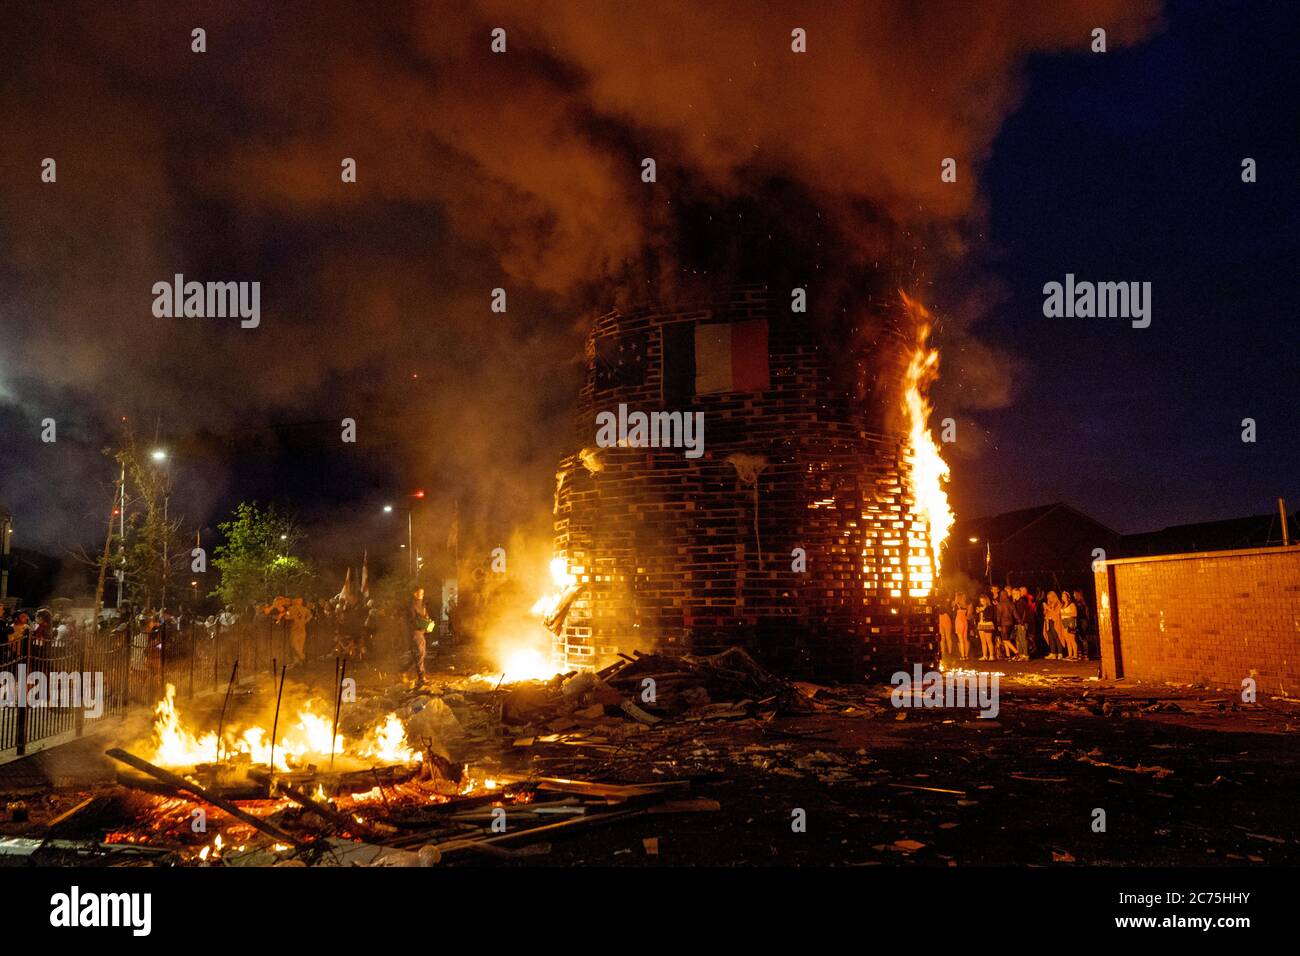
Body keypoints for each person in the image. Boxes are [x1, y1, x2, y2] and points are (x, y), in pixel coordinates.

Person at [406, 587, 434, 685]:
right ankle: (421, 677)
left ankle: (403, 671)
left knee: (418, 654)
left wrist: (428, 622)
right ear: (415, 594)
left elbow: (425, 616)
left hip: (421, 632)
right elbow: (412, 620)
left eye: (423, 593)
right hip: (415, 632)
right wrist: (422, 624)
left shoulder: (422, 605)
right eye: (420, 593)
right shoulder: (412, 606)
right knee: (420, 653)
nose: (422, 595)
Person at [284, 597, 313, 664]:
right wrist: (292, 618)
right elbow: (286, 617)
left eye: (300, 600)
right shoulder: (290, 609)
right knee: (294, 645)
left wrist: (306, 621)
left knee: (301, 645)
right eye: (297, 599)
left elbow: (310, 615)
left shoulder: (304, 609)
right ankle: (302, 657)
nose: (298, 601)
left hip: (302, 629)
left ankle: (298, 661)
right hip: (294, 629)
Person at [1043, 591, 1065, 659]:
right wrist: (1045, 610)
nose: (1049, 599)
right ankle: (1053, 653)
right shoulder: (1049, 604)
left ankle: (1060, 653)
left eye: (1050, 597)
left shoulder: (1058, 603)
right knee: (1051, 637)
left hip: (1055, 622)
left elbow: (1056, 614)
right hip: (1048, 622)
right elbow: (1046, 613)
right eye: (1048, 598)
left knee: (1057, 637)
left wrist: (1047, 608)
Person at [996, 587, 1016, 660]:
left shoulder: (1000, 604)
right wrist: (1020, 622)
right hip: (1011, 623)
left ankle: (1016, 652)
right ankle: (1008, 656)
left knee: (1005, 640)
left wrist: (998, 624)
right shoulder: (1011, 603)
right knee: (1007, 639)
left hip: (1004, 624)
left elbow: (998, 615)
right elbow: (1015, 614)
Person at [1012, 587, 1031, 660]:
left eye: (1014, 594)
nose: (1013, 595)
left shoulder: (1021, 601)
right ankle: (1021, 654)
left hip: (1022, 623)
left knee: (1023, 639)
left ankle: (1026, 655)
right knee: (1019, 639)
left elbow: (1023, 613)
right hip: (1018, 623)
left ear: (1018, 593)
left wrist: (1022, 623)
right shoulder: (1017, 602)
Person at [975, 594, 996, 661]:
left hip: (988, 624)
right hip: (981, 624)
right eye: (981, 601)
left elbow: (990, 616)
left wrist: (982, 611)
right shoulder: (979, 607)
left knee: (989, 641)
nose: (982, 602)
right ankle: (984, 656)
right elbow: (977, 617)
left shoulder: (989, 607)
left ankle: (991, 656)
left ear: (986, 600)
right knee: (983, 642)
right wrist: (977, 612)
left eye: (983, 601)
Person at [1072, 590, 1092, 659]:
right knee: (1077, 637)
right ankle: (1081, 652)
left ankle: (1086, 653)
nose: (1073, 595)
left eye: (1074, 594)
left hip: (1082, 620)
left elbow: (1085, 612)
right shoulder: (1076, 602)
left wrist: (1087, 620)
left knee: (1083, 637)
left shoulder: (1081, 603)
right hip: (1079, 620)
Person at [1060, 591, 1080, 660]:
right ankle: (1070, 654)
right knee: (1067, 639)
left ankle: (1075, 655)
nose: (1063, 597)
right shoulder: (1062, 605)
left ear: (1068, 597)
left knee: (1072, 639)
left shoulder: (1072, 604)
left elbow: (1075, 614)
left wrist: (1065, 614)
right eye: (1062, 596)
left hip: (1070, 621)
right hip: (1064, 622)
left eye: (1064, 596)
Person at [953, 592, 971, 661]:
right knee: (965, 639)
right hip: (965, 622)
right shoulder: (966, 605)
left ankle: (962, 656)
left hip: (959, 621)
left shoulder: (957, 604)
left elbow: (952, 605)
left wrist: (956, 596)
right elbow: (968, 616)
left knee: (961, 640)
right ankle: (966, 655)